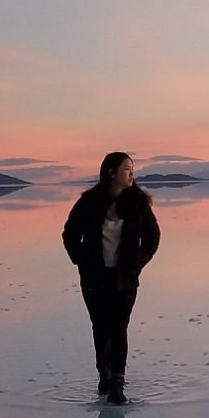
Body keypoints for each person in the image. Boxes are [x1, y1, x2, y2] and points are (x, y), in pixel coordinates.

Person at [61, 151, 160, 402]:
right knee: (100, 328)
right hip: (95, 276)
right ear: (111, 172)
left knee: (119, 328)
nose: (131, 174)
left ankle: (117, 383)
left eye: (132, 169)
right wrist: (82, 261)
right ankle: (103, 376)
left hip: (124, 277)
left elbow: (152, 237)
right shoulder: (88, 202)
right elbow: (70, 235)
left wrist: (137, 263)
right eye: (127, 169)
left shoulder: (138, 203)